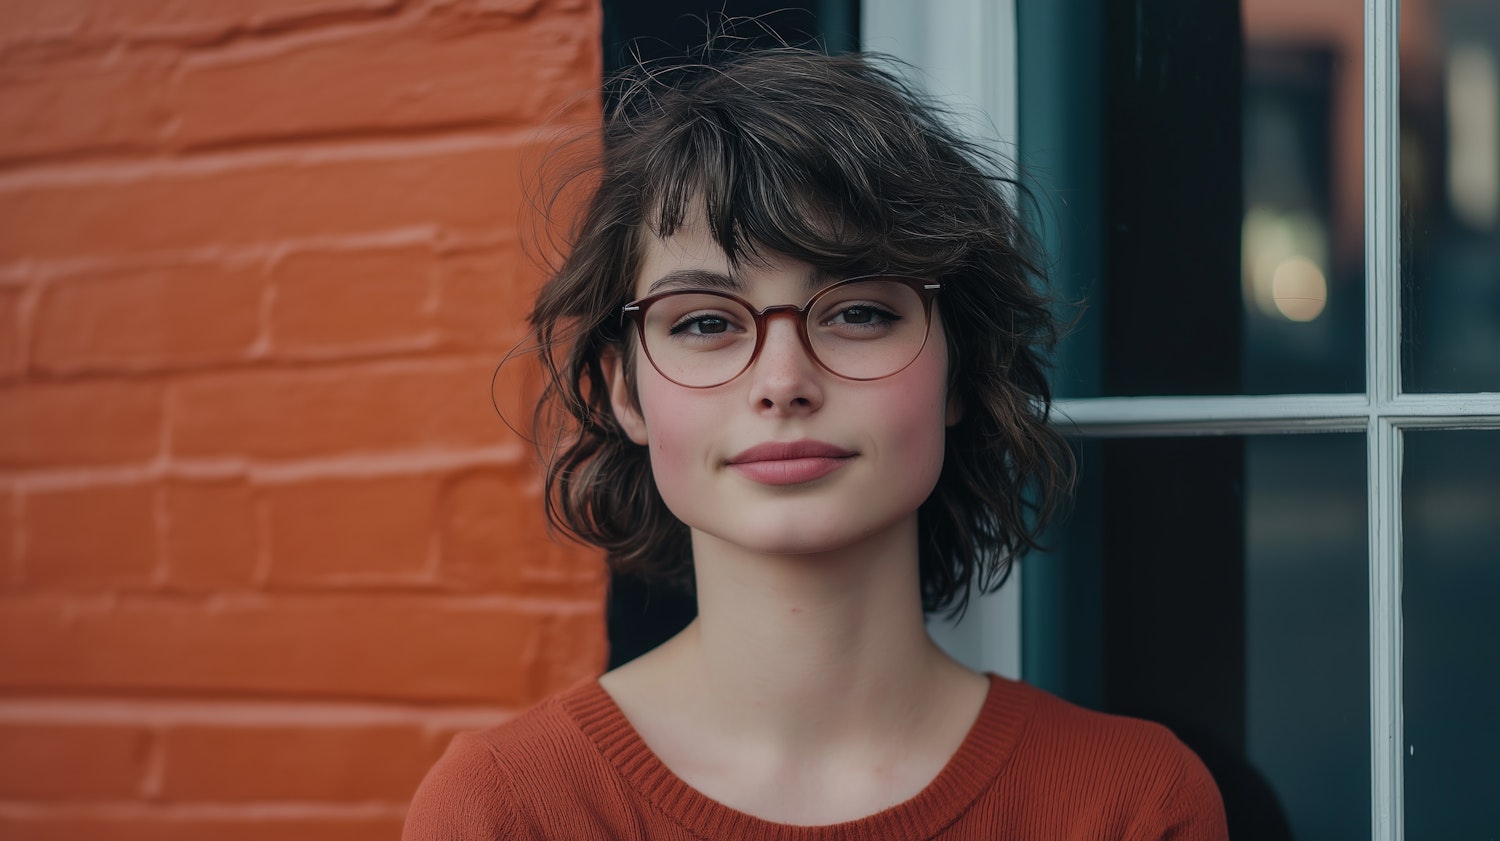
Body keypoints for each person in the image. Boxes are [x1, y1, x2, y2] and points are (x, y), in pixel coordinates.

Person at [403, 46, 1229, 839]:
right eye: (703, 322)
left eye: (859, 311)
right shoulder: (506, 811)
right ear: (627, 392)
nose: (783, 380)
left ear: (961, 371)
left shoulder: (1132, 803)